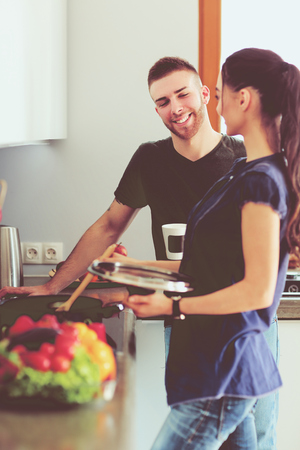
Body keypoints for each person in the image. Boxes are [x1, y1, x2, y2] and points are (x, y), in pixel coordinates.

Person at [0, 57, 275, 446]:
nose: (175, 107)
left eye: (182, 93)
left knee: (257, 436)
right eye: (162, 101)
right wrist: (54, 285)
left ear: (206, 94)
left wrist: (130, 271)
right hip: (183, 321)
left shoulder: (246, 161)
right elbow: (110, 225)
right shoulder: (151, 160)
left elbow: (240, 263)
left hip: (243, 321)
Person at [107, 48, 300, 449]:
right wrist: (128, 269)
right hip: (214, 359)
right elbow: (204, 265)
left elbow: (257, 291)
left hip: (224, 365)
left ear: (242, 98)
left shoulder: (261, 180)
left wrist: (170, 306)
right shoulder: (243, 172)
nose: (218, 98)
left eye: (221, 89)